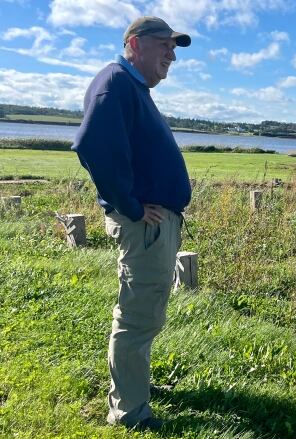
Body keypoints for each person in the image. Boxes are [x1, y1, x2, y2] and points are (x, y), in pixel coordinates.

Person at [71, 16, 192, 431]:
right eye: (165, 45)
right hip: (145, 225)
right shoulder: (115, 83)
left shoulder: (131, 85)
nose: (172, 55)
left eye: (175, 48)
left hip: (154, 224)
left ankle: (134, 388)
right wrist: (132, 206)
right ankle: (130, 411)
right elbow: (90, 145)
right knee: (137, 316)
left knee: (147, 310)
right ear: (135, 44)